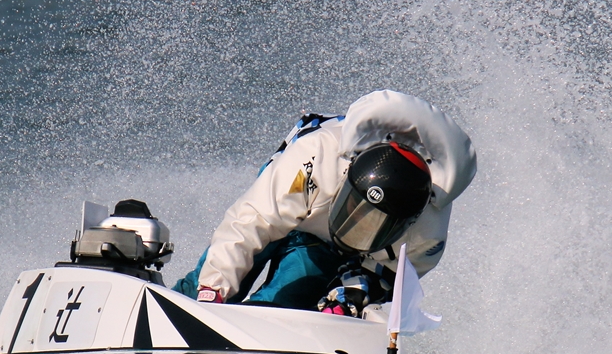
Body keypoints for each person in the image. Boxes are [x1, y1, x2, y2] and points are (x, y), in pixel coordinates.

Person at [172, 90, 476, 316]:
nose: (357, 223)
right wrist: (212, 292)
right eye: (356, 207)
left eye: (375, 222)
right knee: (208, 283)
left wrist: (349, 296)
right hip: (296, 199)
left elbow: (383, 280)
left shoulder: (427, 235)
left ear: (407, 223)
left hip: (326, 247)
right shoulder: (316, 158)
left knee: (282, 304)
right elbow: (249, 224)